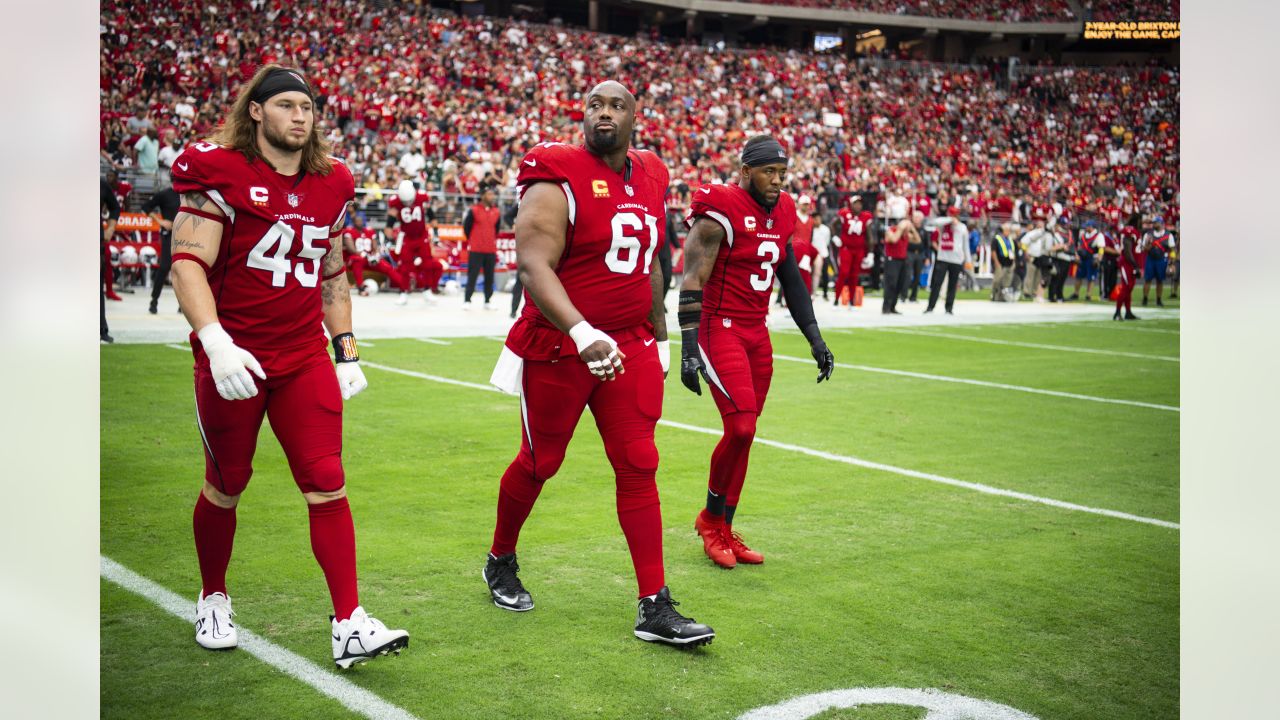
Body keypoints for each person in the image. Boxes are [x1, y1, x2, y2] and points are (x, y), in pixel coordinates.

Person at [167, 65, 408, 669]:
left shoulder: (331, 183)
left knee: (327, 478)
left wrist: (346, 351)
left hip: (302, 356)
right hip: (236, 355)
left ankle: (349, 621)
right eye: (287, 106)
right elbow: (187, 264)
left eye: (308, 107)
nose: (301, 116)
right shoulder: (220, 172)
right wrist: (215, 340)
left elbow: (332, 272)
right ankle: (213, 594)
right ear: (256, 111)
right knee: (227, 483)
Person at [482, 81, 715, 647]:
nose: (604, 113)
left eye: (616, 105)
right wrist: (582, 330)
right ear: (582, 115)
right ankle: (500, 558)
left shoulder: (652, 172)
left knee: (639, 462)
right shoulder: (556, 168)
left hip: (630, 341)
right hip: (563, 344)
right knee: (541, 462)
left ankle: (653, 604)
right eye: (594, 105)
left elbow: (654, 262)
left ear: (635, 117)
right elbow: (534, 266)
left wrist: (659, 339)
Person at [678, 135, 835, 569]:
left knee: (745, 436)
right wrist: (689, 347)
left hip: (756, 332)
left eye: (783, 174)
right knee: (742, 428)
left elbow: (790, 277)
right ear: (745, 171)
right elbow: (691, 277)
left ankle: (726, 528)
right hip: (718, 327)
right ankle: (710, 521)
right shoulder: (720, 206)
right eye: (769, 172)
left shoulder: (783, 210)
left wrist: (815, 338)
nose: (777, 181)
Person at [387, 179, 441, 301]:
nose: (408, 203)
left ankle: (427, 290)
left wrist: (436, 233)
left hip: (422, 236)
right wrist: (388, 238)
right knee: (405, 266)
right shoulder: (395, 202)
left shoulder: (422, 197)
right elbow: (389, 223)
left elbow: (431, 215)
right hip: (407, 237)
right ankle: (403, 291)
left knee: (428, 263)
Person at [343, 213, 409, 300]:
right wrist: (363, 254)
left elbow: (375, 246)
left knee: (386, 266)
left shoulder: (369, 231)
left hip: (369, 258)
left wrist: (376, 255)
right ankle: (361, 287)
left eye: (361, 221)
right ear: (354, 222)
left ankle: (404, 286)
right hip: (355, 258)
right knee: (357, 260)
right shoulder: (349, 231)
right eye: (357, 221)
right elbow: (350, 248)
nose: (359, 223)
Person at [142, 177, 180, 314]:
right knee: (164, 267)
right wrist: (161, 221)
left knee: (183, 270)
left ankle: (183, 304)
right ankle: (154, 301)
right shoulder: (165, 194)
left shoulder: (189, 194)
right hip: (168, 236)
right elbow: (145, 207)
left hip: (186, 236)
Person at [924, 208, 970, 315]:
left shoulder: (962, 227)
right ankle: (930, 307)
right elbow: (934, 222)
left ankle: (949, 308)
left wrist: (968, 260)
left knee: (952, 285)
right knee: (937, 283)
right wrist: (949, 219)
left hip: (956, 259)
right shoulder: (943, 225)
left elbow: (965, 245)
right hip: (943, 258)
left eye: (954, 214)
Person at [462, 189, 501, 310]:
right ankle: (467, 300)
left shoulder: (496, 212)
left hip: (490, 250)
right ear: (483, 196)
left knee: (490, 276)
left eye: (492, 194)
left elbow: (497, 229)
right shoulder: (474, 210)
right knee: (472, 275)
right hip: (476, 249)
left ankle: (487, 301)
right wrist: (473, 240)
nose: (492, 196)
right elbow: (466, 227)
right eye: (489, 194)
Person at [832, 195, 871, 306]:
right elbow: (833, 225)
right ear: (851, 204)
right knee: (843, 273)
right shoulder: (844, 213)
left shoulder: (865, 216)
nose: (858, 205)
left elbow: (869, 235)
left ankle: (851, 301)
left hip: (859, 250)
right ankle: (836, 300)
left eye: (859, 203)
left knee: (854, 275)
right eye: (855, 203)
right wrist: (835, 237)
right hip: (846, 248)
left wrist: (871, 253)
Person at [881, 210, 919, 314]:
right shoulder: (891, 230)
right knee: (891, 284)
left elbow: (917, 240)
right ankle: (886, 307)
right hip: (892, 260)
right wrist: (900, 228)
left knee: (900, 284)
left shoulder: (906, 235)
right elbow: (893, 239)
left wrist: (912, 229)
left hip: (902, 260)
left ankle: (893, 306)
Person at [100, 176, 120, 343]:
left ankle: (101, 329)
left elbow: (115, 207)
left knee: (97, 286)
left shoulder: (101, 184)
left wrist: (110, 228)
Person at [1140, 215, 1176, 307]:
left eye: (1156, 223)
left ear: (1161, 223)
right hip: (1150, 259)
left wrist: (1171, 263)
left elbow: (1172, 249)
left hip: (1161, 259)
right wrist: (1149, 244)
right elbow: (1144, 249)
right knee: (1148, 280)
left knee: (1160, 281)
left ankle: (1159, 299)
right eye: (1153, 223)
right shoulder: (1148, 234)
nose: (1154, 224)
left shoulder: (1168, 235)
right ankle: (1145, 298)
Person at [1069, 220, 1104, 302]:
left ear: (1091, 227)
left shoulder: (1098, 235)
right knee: (1078, 276)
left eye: (1087, 226)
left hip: (1092, 258)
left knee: (1091, 277)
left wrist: (1098, 259)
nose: (1085, 227)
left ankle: (1088, 294)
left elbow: (1101, 248)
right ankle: (1076, 293)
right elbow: (1079, 245)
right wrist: (1077, 255)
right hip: (1082, 257)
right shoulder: (1083, 234)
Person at [1114, 217, 1140, 320]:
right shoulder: (1130, 231)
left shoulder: (1135, 231)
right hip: (1127, 263)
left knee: (1129, 288)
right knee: (1126, 287)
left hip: (1131, 263)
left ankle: (1128, 312)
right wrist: (1135, 265)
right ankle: (1117, 312)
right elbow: (1127, 250)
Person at [989, 222, 1018, 301]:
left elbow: (1014, 251)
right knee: (997, 280)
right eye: (1007, 230)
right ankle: (994, 295)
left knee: (1007, 281)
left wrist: (1014, 262)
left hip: (1009, 263)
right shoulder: (997, 238)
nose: (1008, 232)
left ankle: (1003, 297)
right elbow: (993, 251)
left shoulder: (1011, 239)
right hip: (1000, 263)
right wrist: (996, 262)